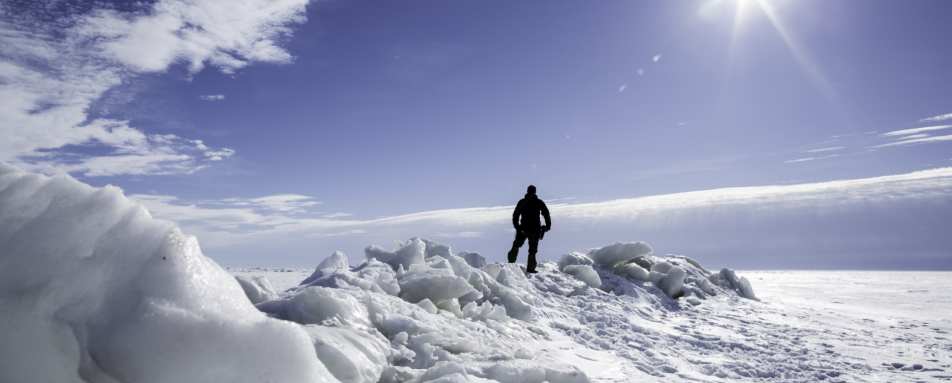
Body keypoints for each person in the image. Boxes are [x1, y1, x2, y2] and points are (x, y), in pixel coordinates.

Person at [507, 184, 551, 273]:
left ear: (527, 191)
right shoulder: (539, 202)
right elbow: (546, 214)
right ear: (535, 192)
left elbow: (515, 215)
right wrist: (547, 227)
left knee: (516, 245)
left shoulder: (522, 202)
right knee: (532, 251)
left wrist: (518, 227)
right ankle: (530, 268)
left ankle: (510, 263)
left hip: (523, 229)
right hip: (535, 230)